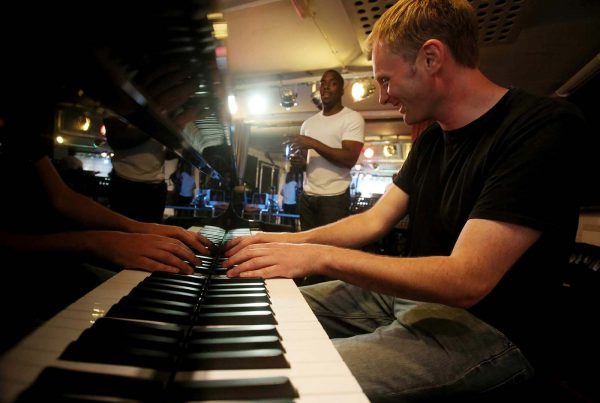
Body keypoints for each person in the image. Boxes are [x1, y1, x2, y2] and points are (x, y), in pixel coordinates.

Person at [222, 0, 590, 401]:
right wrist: (283, 243)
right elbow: (373, 222)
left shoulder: (542, 125)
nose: (382, 96)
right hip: (416, 300)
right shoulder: (432, 138)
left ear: (431, 57)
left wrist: (319, 258)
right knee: (256, 313)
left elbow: (468, 279)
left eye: (385, 80)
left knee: (274, 382)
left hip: (491, 328)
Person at [0, 100, 214, 353]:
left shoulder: (17, 126)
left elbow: (62, 198)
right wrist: (96, 242)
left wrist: (137, 228)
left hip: (54, 258)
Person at [288, 69, 365, 233]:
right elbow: (306, 164)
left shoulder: (352, 118)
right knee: (308, 250)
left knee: (330, 252)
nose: (326, 87)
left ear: (342, 90)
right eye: (323, 83)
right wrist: (300, 164)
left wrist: (313, 143)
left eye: (333, 83)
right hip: (307, 196)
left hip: (334, 199)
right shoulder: (308, 124)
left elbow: (350, 158)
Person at [105, 115, 171, 223]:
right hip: (126, 183)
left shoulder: (160, 115)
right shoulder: (123, 103)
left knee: (151, 234)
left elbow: (165, 154)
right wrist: (158, 123)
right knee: (125, 231)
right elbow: (116, 139)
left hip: (155, 184)